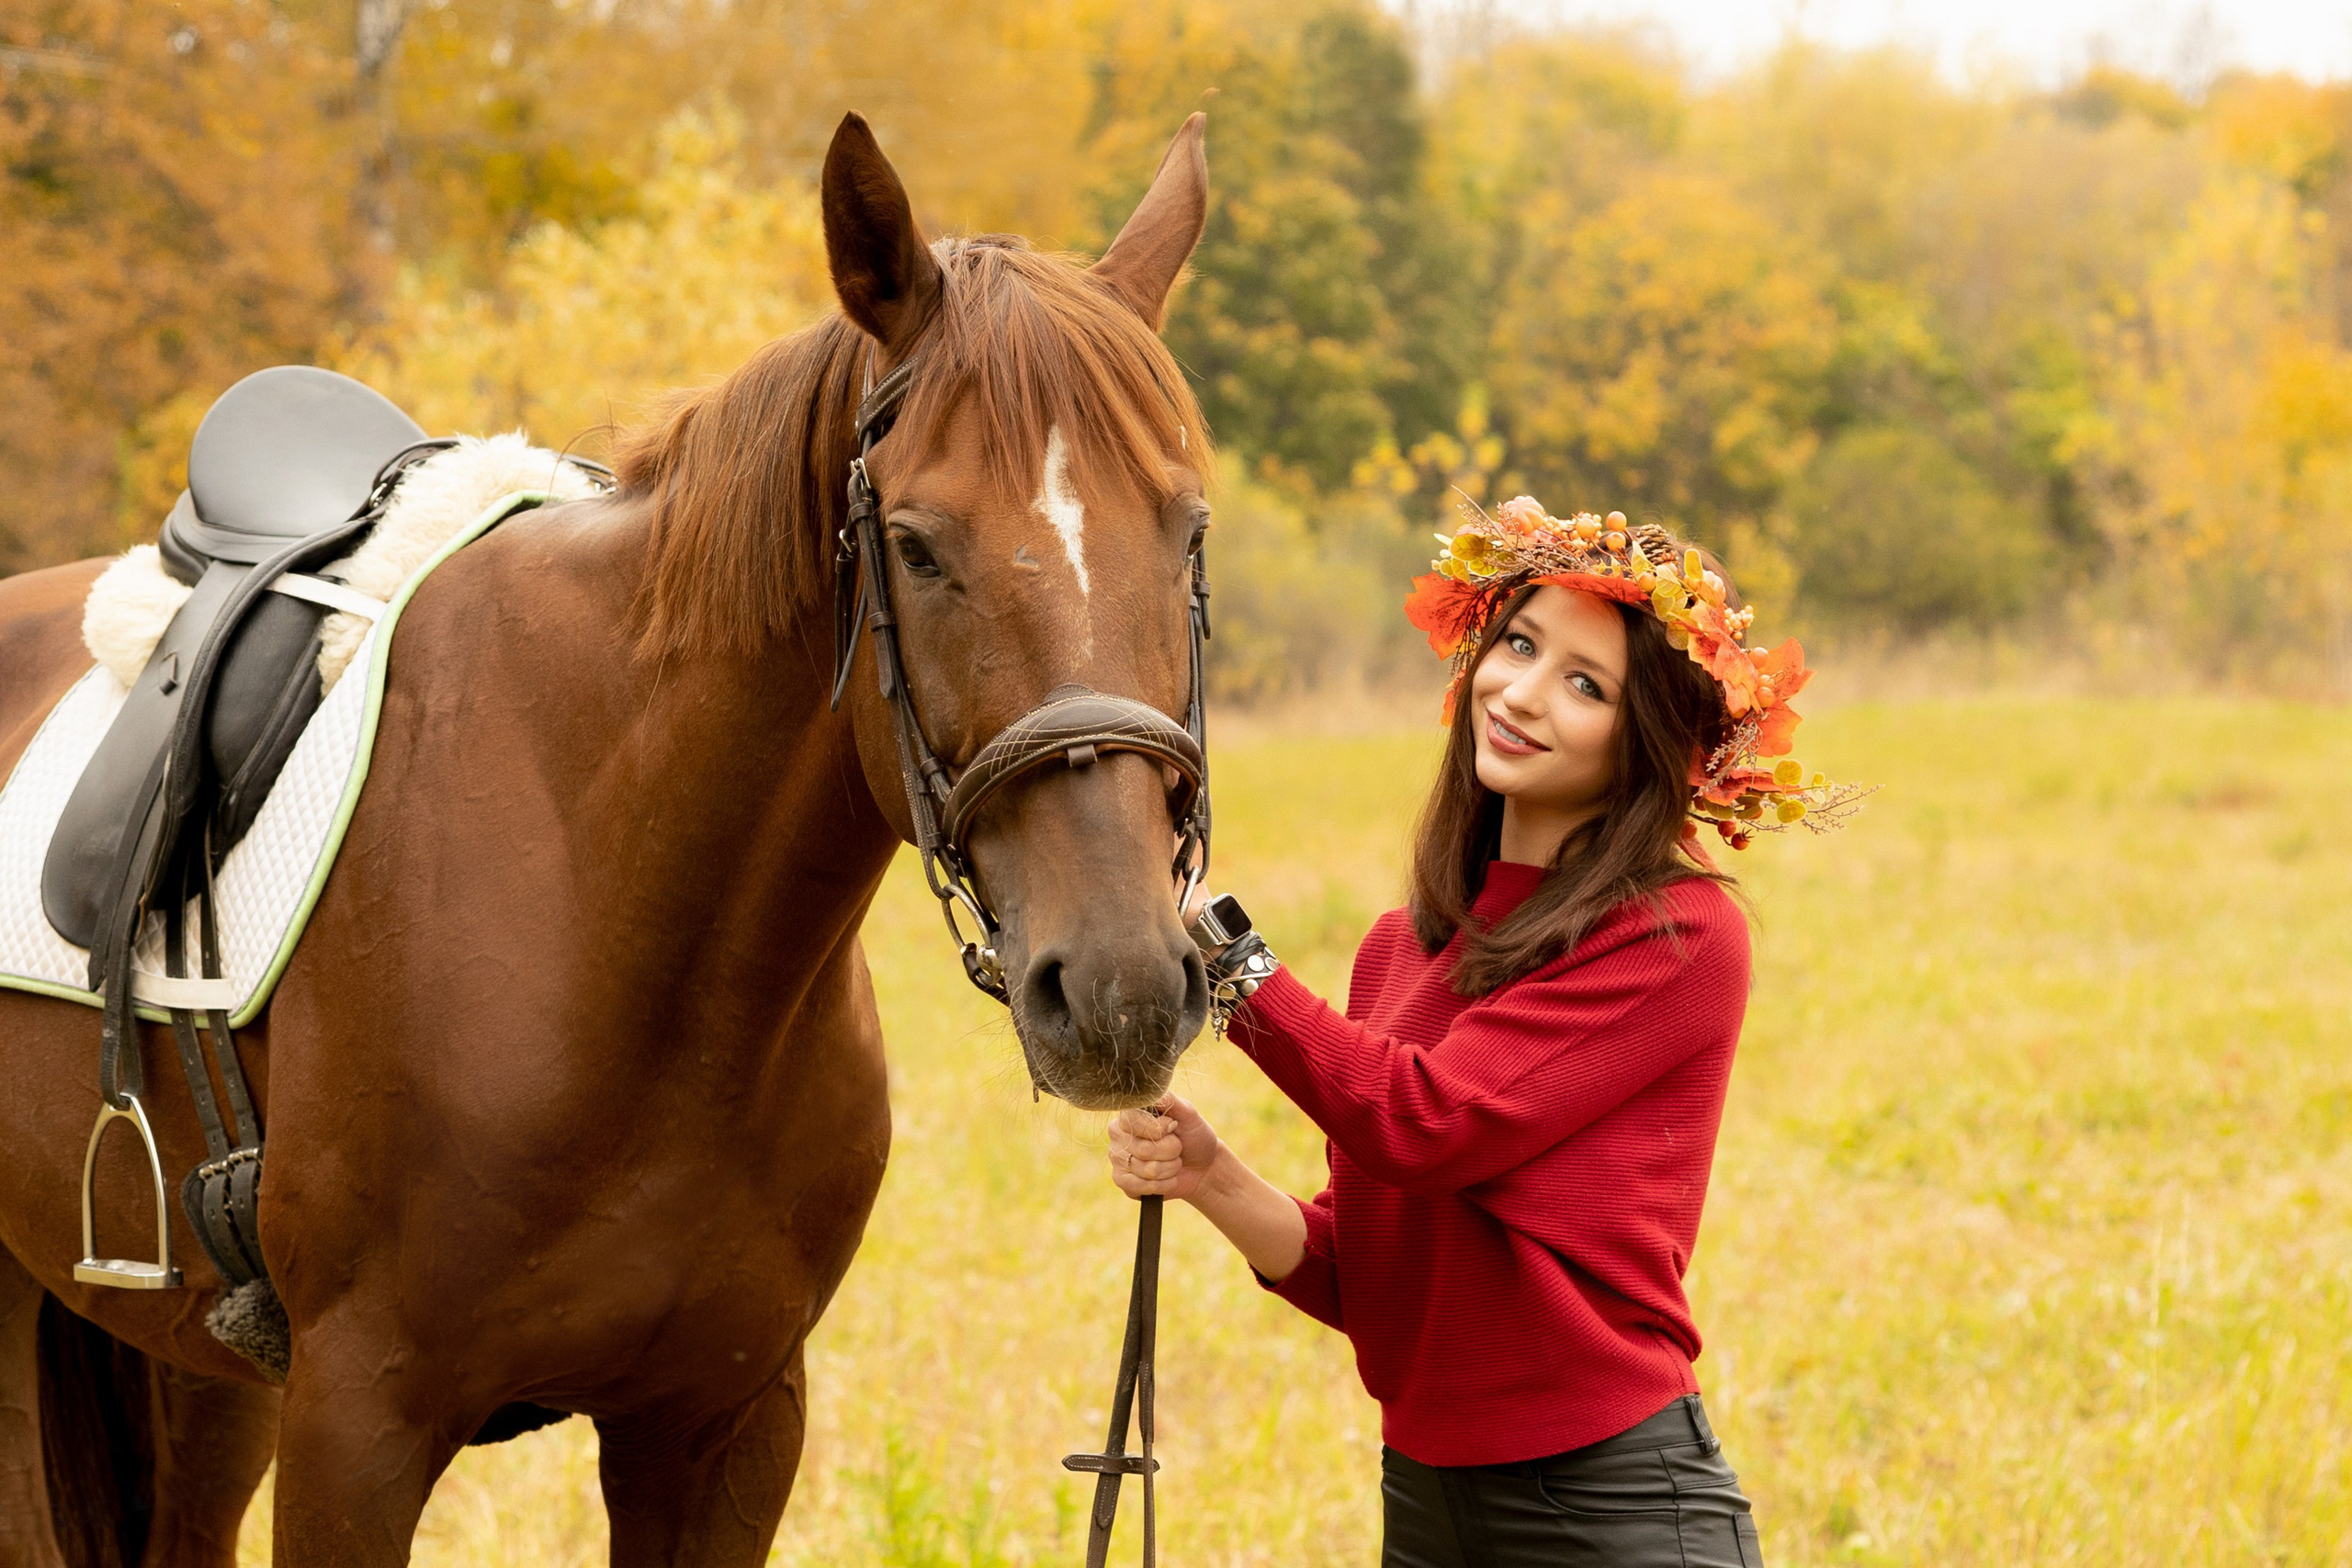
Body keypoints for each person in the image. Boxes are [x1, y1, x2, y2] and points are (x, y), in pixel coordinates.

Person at [1107, 499, 1864, 1567]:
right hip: (1424, 1508)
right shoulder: (1397, 951)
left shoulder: (1675, 934)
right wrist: (1210, 1173)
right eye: (1519, 644)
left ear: (1642, 743)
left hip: (1611, 1509)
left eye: (1584, 683)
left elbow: (1425, 1123)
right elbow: (1369, 1278)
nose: (1522, 691)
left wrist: (1226, 955)